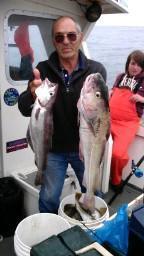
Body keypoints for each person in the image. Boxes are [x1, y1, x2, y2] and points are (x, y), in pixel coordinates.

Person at [18, 16, 107, 213]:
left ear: (80, 37)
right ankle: (48, 230)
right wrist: (32, 95)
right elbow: (24, 108)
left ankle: (96, 227)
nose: (66, 41)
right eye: (59, 37)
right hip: (53, 149)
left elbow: (102, 114)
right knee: (49, 196)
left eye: (71, 36)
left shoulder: (95, 71)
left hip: (84, 147)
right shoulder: (42, 69)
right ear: (53, 41)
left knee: (93, 190)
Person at [109, 50, 144, 191]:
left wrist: (142, 99)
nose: (135, 67)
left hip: (127, 125)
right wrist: (111, 92)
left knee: (118, 154)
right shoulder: (120, 77)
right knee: (99, 148)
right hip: (109, 119)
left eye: (139, 65)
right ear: (128, 63)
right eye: (133, 63)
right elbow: (113, 91)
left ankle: (116, 180)